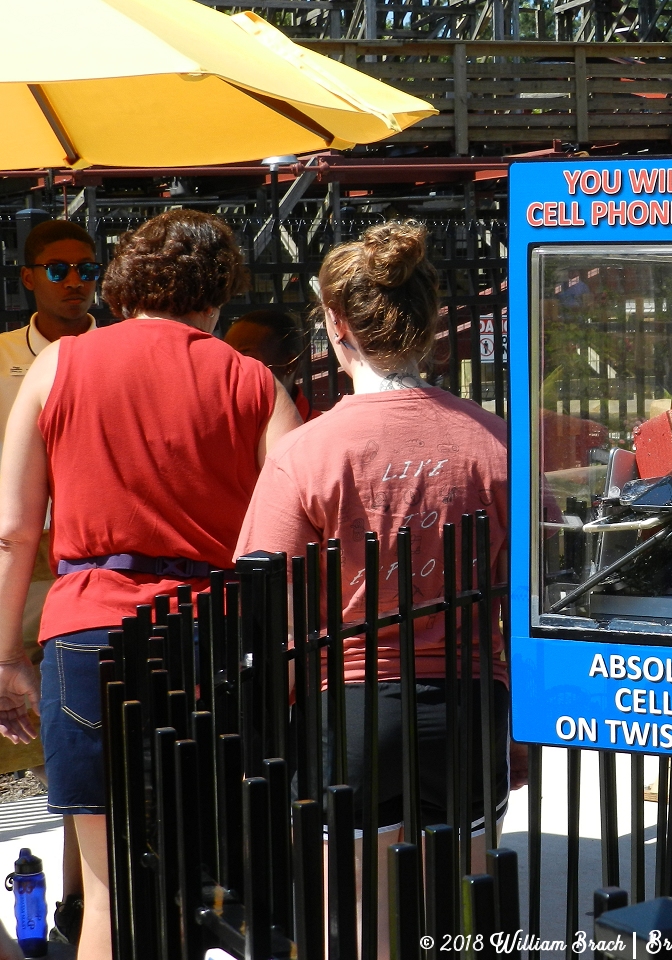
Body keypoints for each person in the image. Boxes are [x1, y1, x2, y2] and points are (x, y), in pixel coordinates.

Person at [0, 209, 300, 958]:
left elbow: (10, 531)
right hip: (213, 639)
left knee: (104, 892)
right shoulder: (256, 382)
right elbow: (293, 541)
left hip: (86, 633)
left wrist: (4, 656)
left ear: (126, 283)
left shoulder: (57, 366)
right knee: (203, 879)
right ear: (216, 294)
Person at [236, 221, 509, 955]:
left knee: (357, 926)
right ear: (431, 321)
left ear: (336, 325)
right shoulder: (494, 441)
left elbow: (263, 600)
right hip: (471, 703)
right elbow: (526, 595)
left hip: (348, 711)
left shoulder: (306, 453)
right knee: (467, 912)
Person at [0, 219, 102, 945]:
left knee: (82, 754)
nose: (76, 281)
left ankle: (75, 906)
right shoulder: (3, 358)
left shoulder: (113, 352)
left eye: (87, 268)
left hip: (87, 577)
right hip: (14, 575)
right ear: (28, 276)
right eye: (58, 269)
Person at [225, 308, 321, 420]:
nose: (231, 373)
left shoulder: (316, 432)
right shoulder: (222, 424)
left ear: (289, 365)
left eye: (246, 362)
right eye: (228, 361)